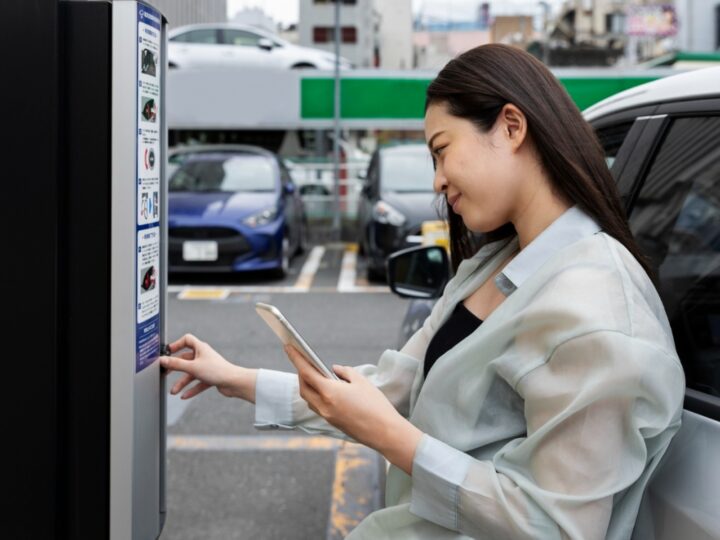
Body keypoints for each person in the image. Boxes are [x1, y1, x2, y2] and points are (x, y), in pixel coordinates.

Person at [159, 45, 684, 539]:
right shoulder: (494, 264)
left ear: (511, 127)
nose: (436, 181)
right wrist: (235, 378)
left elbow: (556, 525)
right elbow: (393, 388)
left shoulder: (597, 309)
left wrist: (392, 438)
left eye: (441, 151)